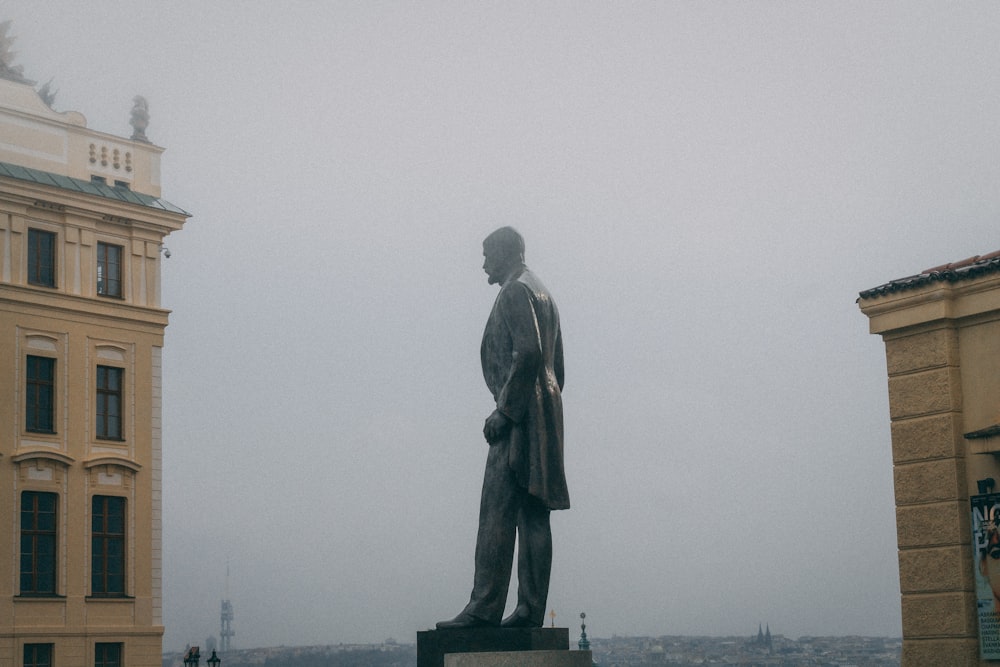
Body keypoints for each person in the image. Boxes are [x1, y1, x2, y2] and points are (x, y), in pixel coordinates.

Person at [437, 226, 569, 630]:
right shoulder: (543, 292)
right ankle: (530, 609)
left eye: (486, 255)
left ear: (505, 253)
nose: (482, 264)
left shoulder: (514, 291)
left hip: (519, 417)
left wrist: (507, 412)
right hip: (545, 412)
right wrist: (541, 411)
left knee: (496, 508)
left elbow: (527, 352)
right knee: (535, 513)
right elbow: (557, 369)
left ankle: (484, 607)